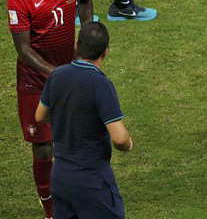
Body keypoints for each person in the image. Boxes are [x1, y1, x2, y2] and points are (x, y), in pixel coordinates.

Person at [7, 0, 93, 219]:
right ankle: (51, 212)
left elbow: (85, 0)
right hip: (35, 81)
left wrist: (86, 37)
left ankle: (78, 195)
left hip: (68, 71)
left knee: (73, 139)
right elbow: (24, 50)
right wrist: (59, 74)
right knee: (43, 148)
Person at [35, 22, 133, 218]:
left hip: (61, 176)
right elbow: (120, 138)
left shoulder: (57, 76)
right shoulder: (101, 85)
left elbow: (40, 116)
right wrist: (128, 145)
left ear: (76, 46)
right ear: (105, 52)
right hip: (91, 180)